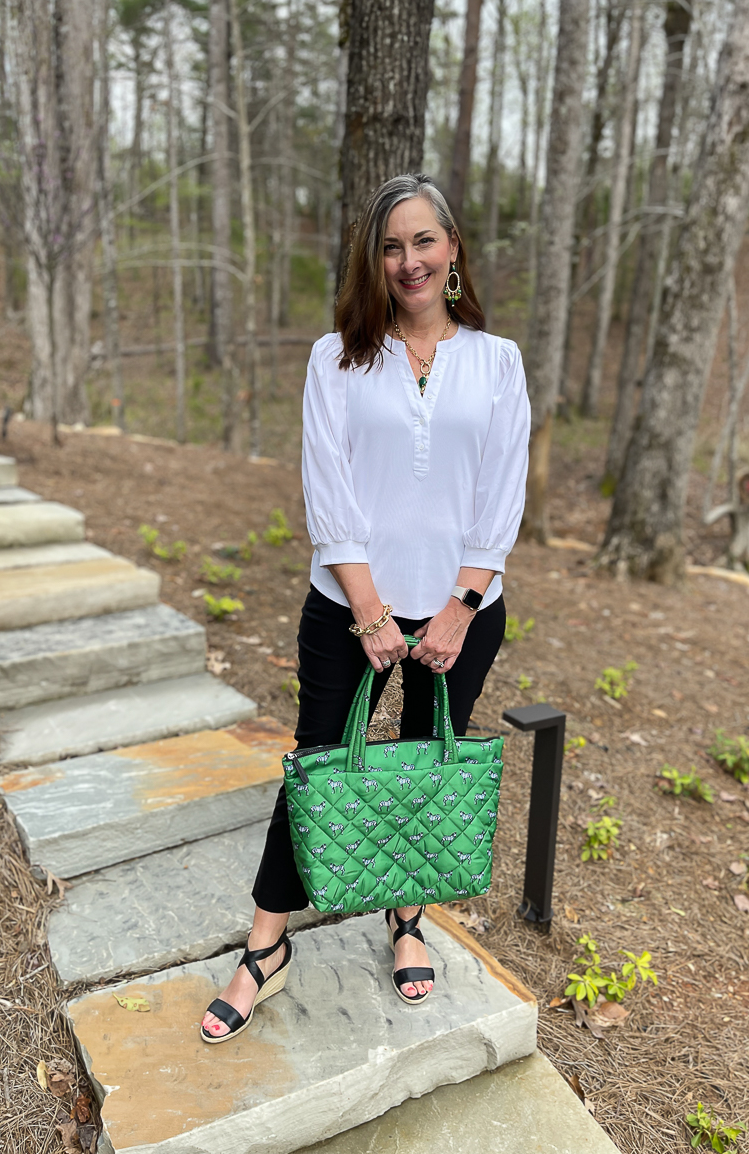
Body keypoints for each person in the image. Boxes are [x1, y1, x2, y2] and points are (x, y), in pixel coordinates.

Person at [201, 172, 530, 1044]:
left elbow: (502, 498)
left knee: (424, 768)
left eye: (424, 242)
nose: (410, 261)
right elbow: (330, 494)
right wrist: (373, 613)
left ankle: (406, 917)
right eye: (392, 247)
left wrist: (459, 608)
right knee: (318, 765)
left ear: (453, 248)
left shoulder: (497, 363)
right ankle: (266, 948)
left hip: (465, 609)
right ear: (373, 261)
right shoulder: (338, 357)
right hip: (349, 606)